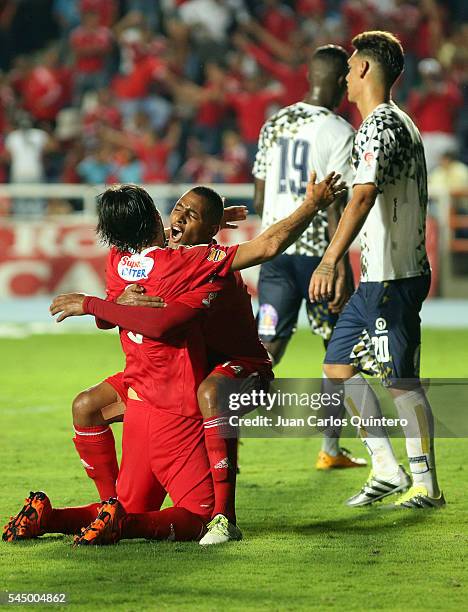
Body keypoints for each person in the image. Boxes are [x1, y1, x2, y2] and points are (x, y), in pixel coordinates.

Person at [4, 173, 346, 546]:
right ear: (155, 218)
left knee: (208, 393)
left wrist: (103, 305)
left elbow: (111, 318)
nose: (179, 217)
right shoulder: (191, 261)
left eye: (190, 214)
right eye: (178, 209)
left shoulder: (124, 257)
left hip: (235, 366)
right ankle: (97, 512)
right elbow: (262, 248)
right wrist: (312, 203)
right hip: (171, 385)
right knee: (105, 428)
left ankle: (223, 517)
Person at [309, 31, 445, 509]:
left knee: (400, 380)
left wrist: (330, 258)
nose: (345, 76)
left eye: (349, 67)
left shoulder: (380, 125)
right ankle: (386, 469)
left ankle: (426, 484)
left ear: (365, 69)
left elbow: (364, 196)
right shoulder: (392, 124)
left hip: (395, 277)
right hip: (376, 279)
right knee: (337, 366)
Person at [253, 44, 371, 470]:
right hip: (320, 259)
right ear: (343, 81)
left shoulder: (274, 123)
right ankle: (331, 448)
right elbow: (339, 205)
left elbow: (260, 194)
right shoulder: (338, 130)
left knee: (265, 343)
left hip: (275, 255)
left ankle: (218, 428)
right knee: (339, 348)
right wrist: (340, 265)